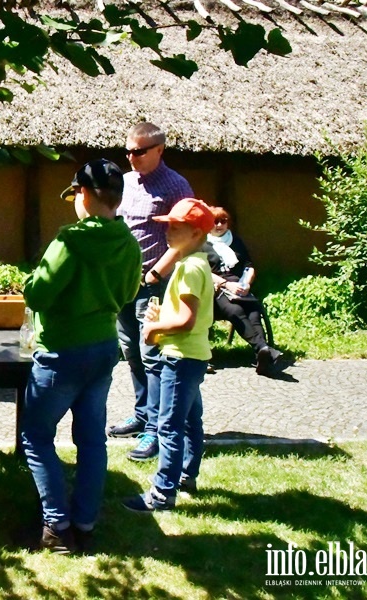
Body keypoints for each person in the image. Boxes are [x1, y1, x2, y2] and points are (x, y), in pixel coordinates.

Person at [20, 159, 142, 554]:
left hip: (61, 351)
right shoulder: (129, 242)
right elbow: (127, 295)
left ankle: (57, 526)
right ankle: (85, 523)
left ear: (83, 195)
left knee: (36, 437)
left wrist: (29, 279)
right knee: (91, 441)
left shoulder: (69, 241)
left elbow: (37, 294)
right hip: (104, 347)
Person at [107, 122, 194, 464]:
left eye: (139, 151)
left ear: (159, 150)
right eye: (128, 150)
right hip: (124, 281)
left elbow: (186, 237)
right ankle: (142, 414)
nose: (132, 157)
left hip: (153, 283)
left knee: (152, 354)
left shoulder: (176, 187)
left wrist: (158, 271)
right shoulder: (126, 182)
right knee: (130, 350)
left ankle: (156, 430)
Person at [122, 198, 215, 512]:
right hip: (195, 354)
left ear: (197, 235)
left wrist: (153, 329)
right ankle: (187, 476)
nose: (169, 232)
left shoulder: (189, 268)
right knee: (190, 421)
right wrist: (164, 311)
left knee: (169, 426)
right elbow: (189, 313)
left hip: (180, 356)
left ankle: (162, 493)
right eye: (168, 225)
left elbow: (186, 320)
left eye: (177, 228)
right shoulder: (197, 264)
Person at [205, 206, 282, 375]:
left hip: (239, 285)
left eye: (223, 221)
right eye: (214, 221)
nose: (219, 225)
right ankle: (263, 349)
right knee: (235, 310)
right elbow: (203, 271)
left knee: (254, 311)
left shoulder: (236, 241)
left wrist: (246, 283)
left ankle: (262, 355)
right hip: (216, 289)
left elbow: (248, 265)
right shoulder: (202, 243)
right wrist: (226, 284)